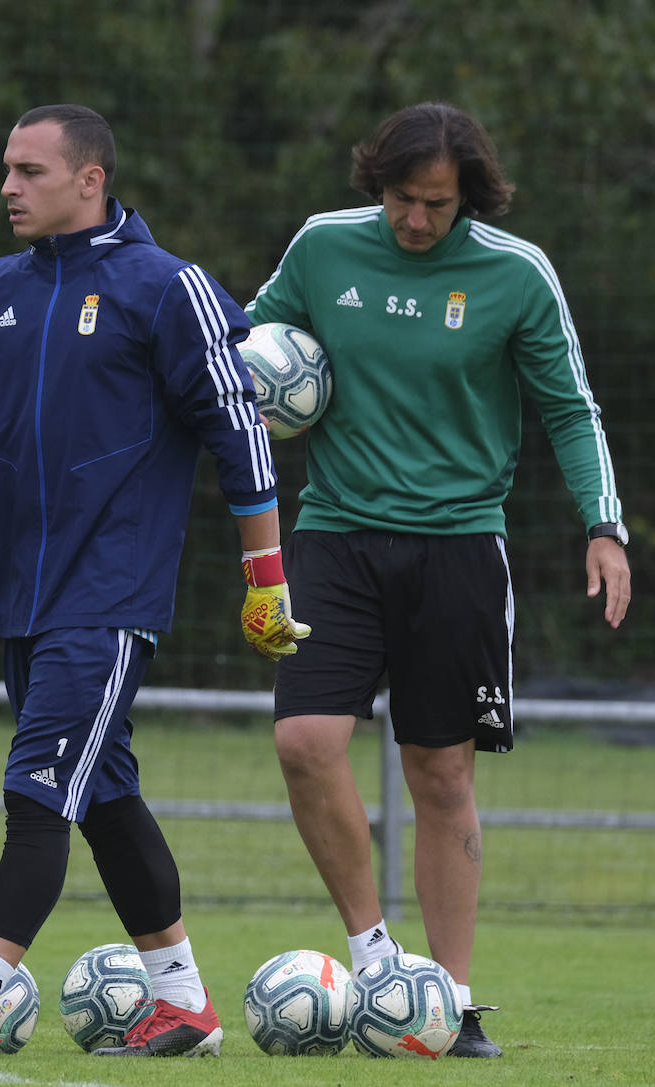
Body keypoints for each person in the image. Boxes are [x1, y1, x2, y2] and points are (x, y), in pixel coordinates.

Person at [0, 103, 309, 1059]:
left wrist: (266, 577)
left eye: (29, 171)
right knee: (103, 797)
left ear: (90, 179)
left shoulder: (168, 287)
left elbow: (240, 432)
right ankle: (183, 1004)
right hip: (22, 596)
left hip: (109, 598)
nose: (8, 187)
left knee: (35, 794)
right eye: (6, 169)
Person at [245, 101, 632, 1059]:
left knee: (442, 773)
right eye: (402, 199)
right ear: (377, 183)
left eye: (437, 203)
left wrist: (604, 527)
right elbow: (246, 352)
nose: (416, 219)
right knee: (303, 742)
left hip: (458, 546)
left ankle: (450, 1004)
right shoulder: (323, 248)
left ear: (470, 197)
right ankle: (380, 965)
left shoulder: (516, 273)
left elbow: (571, 409)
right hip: (335, 534)